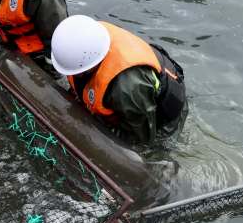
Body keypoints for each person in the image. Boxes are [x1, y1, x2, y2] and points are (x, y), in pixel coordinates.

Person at [51, 15, 188, 146]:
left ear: (90, 64)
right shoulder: (80, 43)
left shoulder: (128, 86)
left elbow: (141, 137)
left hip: (160, 108)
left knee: (150, 150)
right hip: (133, 91)